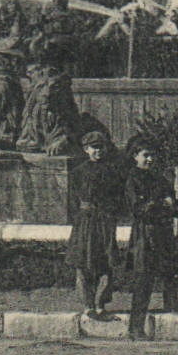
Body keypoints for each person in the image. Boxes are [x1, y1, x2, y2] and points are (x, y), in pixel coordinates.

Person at [123, 136, 178, 339]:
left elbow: (173, 204)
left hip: (163, 233)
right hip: (145, 235)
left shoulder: (159, 178)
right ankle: (135, 326)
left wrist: (168, 204)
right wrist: (160, 203)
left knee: (170, 273)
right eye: (145, 155)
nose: (150, 159)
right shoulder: (133, 179)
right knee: (143, 280)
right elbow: (138, 209)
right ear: (135, 157)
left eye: (152, 155)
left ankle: (172, 314)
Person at [68, 129, 124, 320]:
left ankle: (100, 304)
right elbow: (72, 200)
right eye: (94, 147)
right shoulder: (78, 172)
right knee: (82, 263)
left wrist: (111, 216)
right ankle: (87, 304)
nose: (98, 151)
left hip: (105, 221)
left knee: (105, 261)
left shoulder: (113, 172)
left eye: (101, 147)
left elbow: (118, 198)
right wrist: (79, 218)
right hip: (84, 222)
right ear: (86, 149)